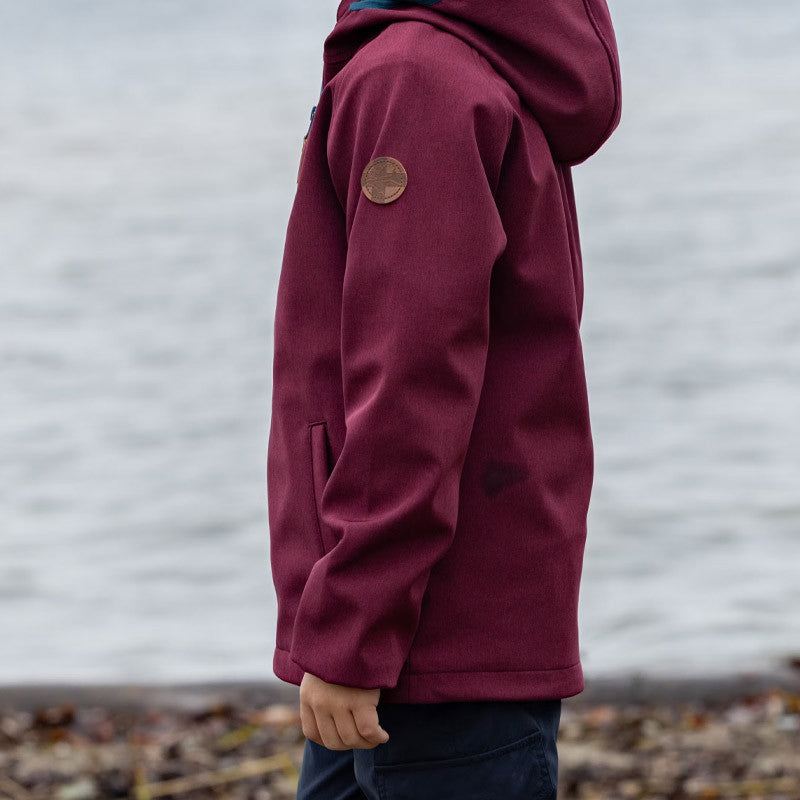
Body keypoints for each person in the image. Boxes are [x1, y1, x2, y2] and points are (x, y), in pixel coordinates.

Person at [267, 0, 622, 796]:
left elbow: (411, 389)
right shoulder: (440, 59)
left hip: (421, 639)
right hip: (421, 629)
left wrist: (351, 631)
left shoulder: (417, 79)